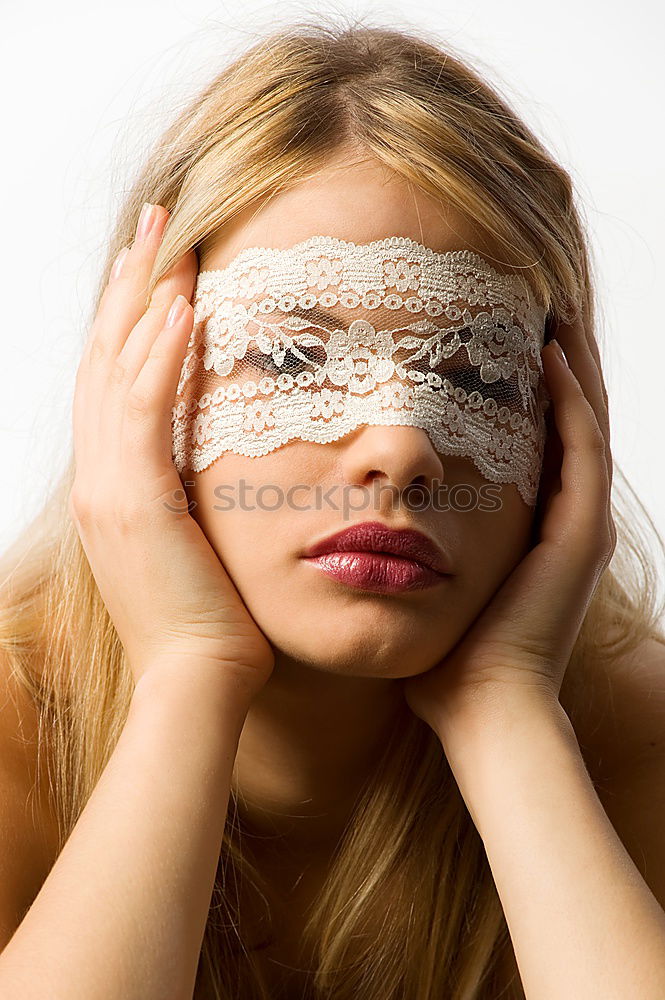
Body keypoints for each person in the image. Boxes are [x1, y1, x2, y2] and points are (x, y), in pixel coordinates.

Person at [0, 17, 664, 1000]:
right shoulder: (17, 726)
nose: (399, 448)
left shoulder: (638, 736)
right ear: (133, 391)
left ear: (568, 421)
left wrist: (510, 713)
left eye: (474, 376)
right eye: (291, 357)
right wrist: (188, 671)